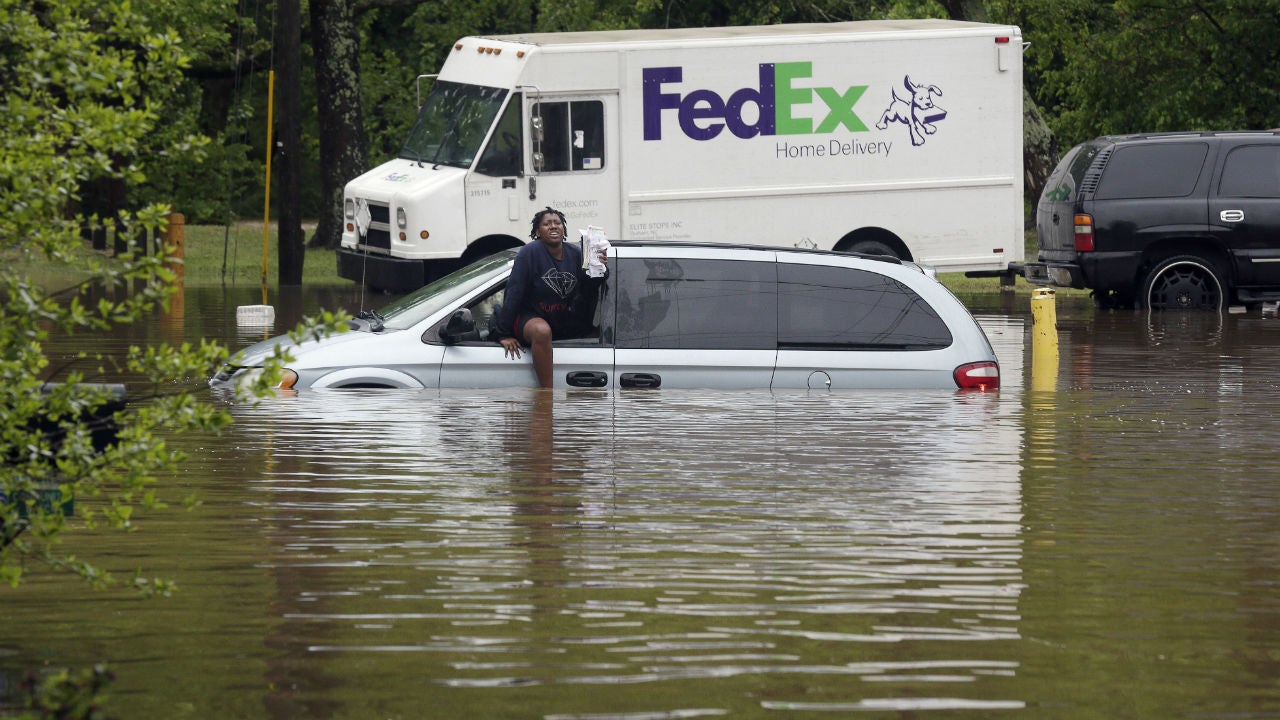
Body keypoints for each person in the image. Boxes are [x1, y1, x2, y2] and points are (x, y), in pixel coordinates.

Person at [493, 207, 608, 388]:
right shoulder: (529, 253)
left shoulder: (576, 253)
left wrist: (600, 268)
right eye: (547, 224)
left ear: (563, 229)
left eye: (557, 223)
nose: (553, 226)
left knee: (602, 335)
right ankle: (547, 395)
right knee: (542, 331)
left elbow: (588, 289)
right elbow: (514, 292)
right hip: (529, 317)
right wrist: (503, 334)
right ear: (538, 231)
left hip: (562, 319)